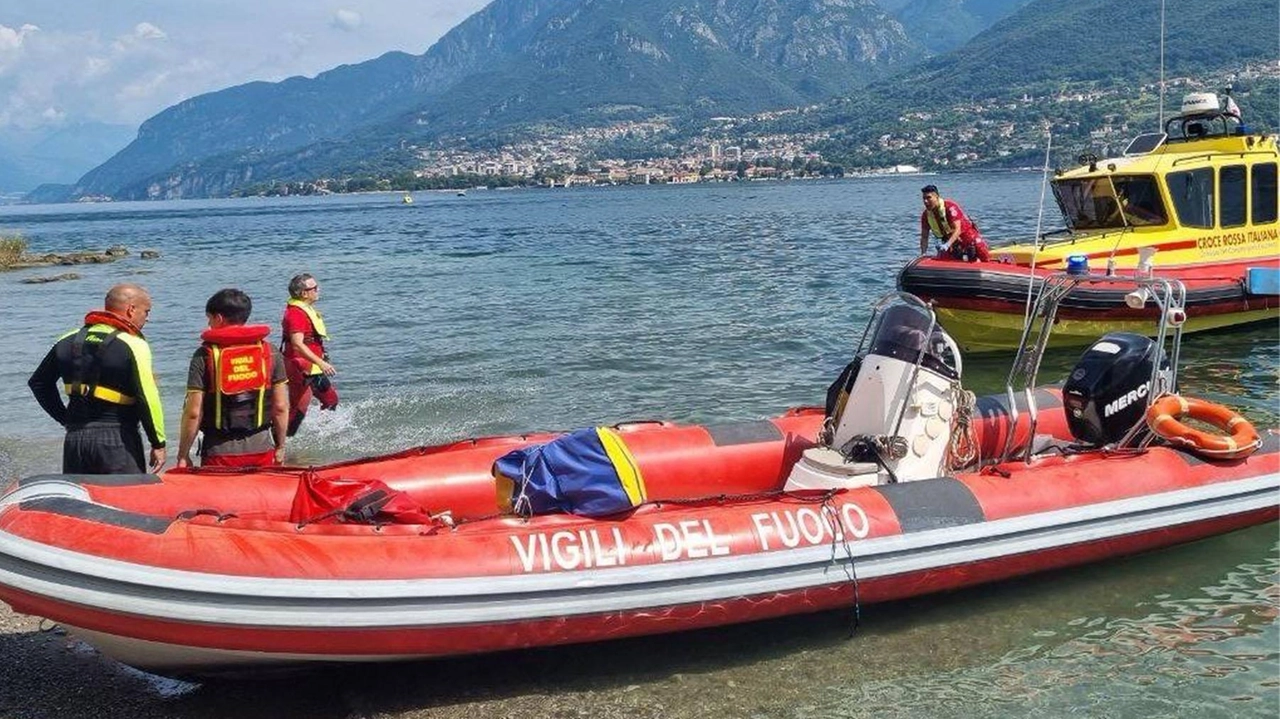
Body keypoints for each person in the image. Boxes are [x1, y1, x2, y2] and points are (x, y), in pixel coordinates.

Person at [27, 283, 166, 474]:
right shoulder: (133, 344)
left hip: (75, 441)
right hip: (117, 440)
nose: (147, 319)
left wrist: (65, 418)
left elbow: (39, 383)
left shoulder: (67, 339)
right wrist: (158, 443)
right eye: (146, 312)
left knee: (82, 501)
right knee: (125, 500)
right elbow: (147, 397)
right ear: (131, 310)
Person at [176, 289, 289, 468]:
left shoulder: (204, 355)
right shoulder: (270, 351)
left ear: (219, 318)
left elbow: (193, 413)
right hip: (261, 448)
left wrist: (183, 454)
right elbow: (281, 407)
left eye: (209, 318)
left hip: (218, 452)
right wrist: (281, 446)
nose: (208, 323)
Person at [282, 273, 338, 436]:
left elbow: (311, 339)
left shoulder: (305, 310)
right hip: (300, 367)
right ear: (303, 293)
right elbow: (297, 345)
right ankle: (281, 444)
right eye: (314, 288)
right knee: (298, 410)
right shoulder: (296, 314)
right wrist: (321, 363)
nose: (318, 290)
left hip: (312, 366)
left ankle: (322, 436)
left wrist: (322, 355)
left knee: (331, 400)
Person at [919, 184, 990, 262]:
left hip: (968, 237)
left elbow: (957, 230)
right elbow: (924, 237)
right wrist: (923, 254)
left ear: (937, 197)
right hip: (951, 242)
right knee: (944, 259)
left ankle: (980, 260)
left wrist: (947, 245)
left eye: (929, 198)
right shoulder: (926, 215)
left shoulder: (950, 207)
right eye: (924, 198)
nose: (925, 201)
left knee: (982, 251)